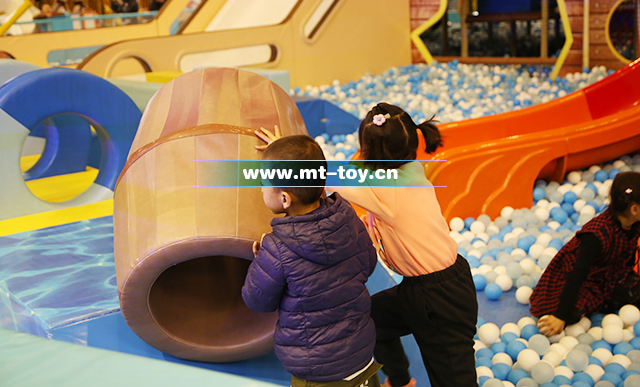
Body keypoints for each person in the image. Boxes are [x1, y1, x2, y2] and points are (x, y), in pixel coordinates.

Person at [255, 103, 479, 387]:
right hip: (425, 287)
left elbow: (328, 178)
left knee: (453, 377)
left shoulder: (387, 188)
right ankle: (400, 380)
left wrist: (286, 161)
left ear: (367, 153)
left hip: (440, 297)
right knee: (369, 319)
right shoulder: (409, 169)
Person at [242, 135, 382, 387]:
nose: (261, 189)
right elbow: (369, 263)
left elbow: (257, 300)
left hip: (317, 371)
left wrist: (261, 260)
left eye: (263, 183)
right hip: (361, 357)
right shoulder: (348, 217)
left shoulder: (276, 247)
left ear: (285, 199)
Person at [531, 172, 640, 337]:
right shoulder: (596, 235)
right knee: (572, 313)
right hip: (575, 281)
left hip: (607, 275)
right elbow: (576, 275)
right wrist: (560, 316)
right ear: (634, 209)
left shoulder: (633, 223)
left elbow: (627, 257)